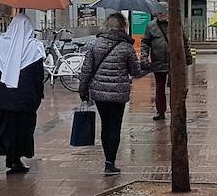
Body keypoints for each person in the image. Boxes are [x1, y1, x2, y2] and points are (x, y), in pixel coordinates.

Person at [78, 13, 142, 176]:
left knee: (105, 125)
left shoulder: (95, 43)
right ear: (123, 27)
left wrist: (83, 90)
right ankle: (110, 163)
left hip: (99, 93)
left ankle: (108, 160)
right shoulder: (126, 47)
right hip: (118, 93)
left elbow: (86, 70)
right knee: (115, 126)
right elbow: (135, 71)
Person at [0, 13, 46, 174]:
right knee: (23, 129)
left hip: (4, 98)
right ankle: (17, 159)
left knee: (7, 128)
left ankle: (10, 156)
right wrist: (38, 95)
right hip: (25, 99)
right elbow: (38, 76)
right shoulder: (33, 47)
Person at [139, 11, 191, 121]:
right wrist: (144, 58)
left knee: (175, 88)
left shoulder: (176, 23)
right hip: (158, 62)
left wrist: (187, 56)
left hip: (174, 63)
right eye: (159, 12)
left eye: (164, 12)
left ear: (168, 13)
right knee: (159, 88)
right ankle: (160, 111)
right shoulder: (151, 26)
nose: (162, 14)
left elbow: (184, 41)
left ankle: (175, 111)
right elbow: (145, 43)